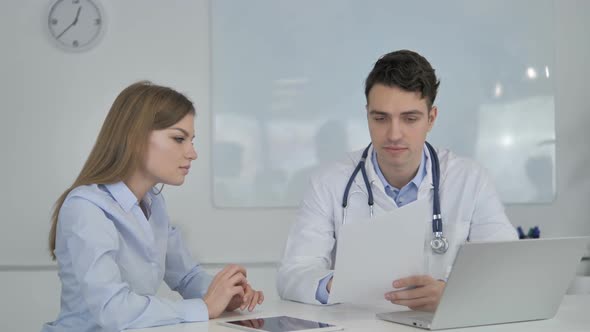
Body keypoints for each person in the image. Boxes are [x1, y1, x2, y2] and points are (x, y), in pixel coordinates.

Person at [277, 50, 517, 311]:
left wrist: (453, 294)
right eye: (380, 118)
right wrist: (340, 284)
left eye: (410, 118)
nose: (393, 134)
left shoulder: (470, 180)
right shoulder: (328, 183)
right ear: (367, 115)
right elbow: (293, 274)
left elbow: (506, 269)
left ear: (431, 118)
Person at [41, 81, 264, 332]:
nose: (192, 153)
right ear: (135, 138)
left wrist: (225, 294)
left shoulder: (153, 203)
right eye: (179, 138)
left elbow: (186, 275)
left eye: (191, 140)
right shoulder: (86, 208)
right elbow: (112, 309)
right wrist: (204, 306)